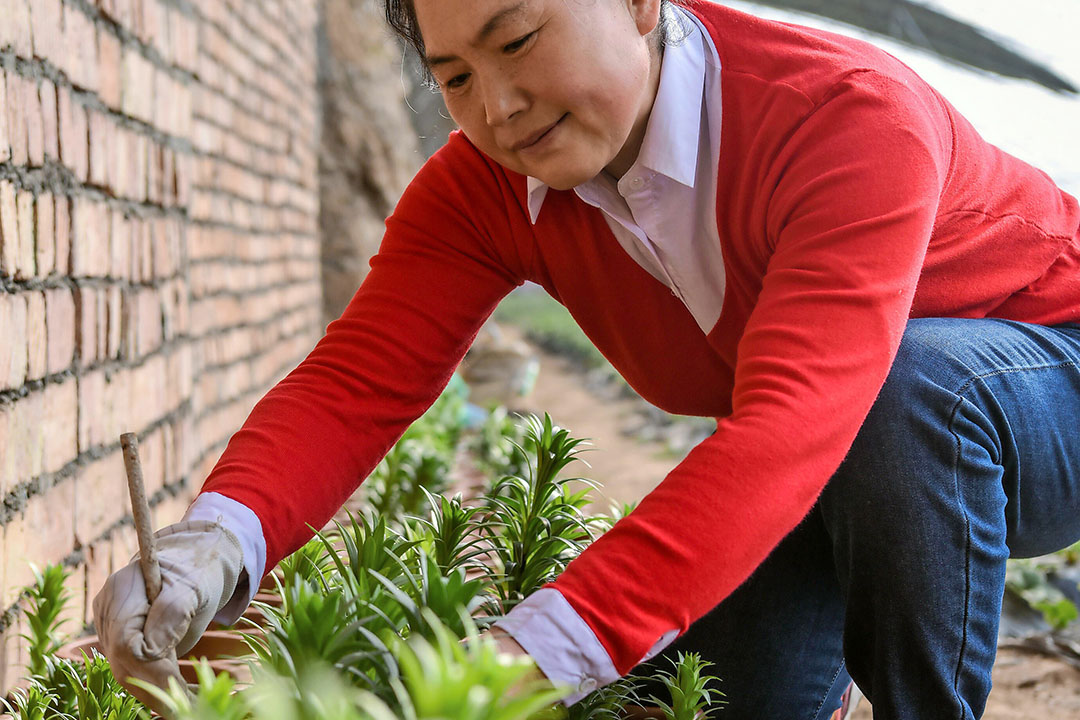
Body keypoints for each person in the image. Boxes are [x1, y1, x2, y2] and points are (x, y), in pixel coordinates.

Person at [92, 1, 1080, 718]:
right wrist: (214, 544)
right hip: (837, 456)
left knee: (910, 389)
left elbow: (794, 423)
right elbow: (357, 381)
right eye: (455, 77)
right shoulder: (484, 190)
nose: (499, 105)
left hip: (1040, 391)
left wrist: (527, 657)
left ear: (640, 4)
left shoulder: (844, 118)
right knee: (713, 702)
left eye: (518, 40)